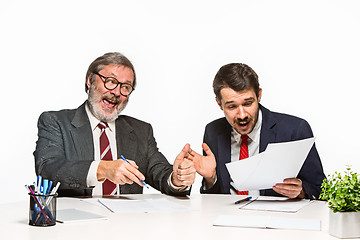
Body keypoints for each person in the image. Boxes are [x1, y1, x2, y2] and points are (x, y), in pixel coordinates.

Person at [34, 52, 196, 197]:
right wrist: (103, 169)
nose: (117, 92)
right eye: (111, 81)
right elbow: (47, 169)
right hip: (76, 224)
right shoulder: (55, 122)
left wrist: (177, 178)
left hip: (125, 224)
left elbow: (160, 173)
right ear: (90, 80)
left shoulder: (141, 130)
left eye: (125, 87)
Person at [187, 63, 325, 199]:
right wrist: (211, 179)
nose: (242, 115)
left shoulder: (295, 130)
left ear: (259, 95)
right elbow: (214, 201)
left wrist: (301, 192)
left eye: (248, 103)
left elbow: (321, 191)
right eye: (232, 106)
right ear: (219, 104)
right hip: (228, 218)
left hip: (276, 219)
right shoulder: (213, 132)